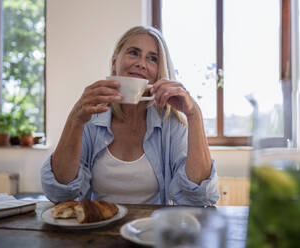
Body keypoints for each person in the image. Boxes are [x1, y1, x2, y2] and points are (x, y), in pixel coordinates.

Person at [41, 26, 219, 206]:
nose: (142, 63)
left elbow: (201, 197)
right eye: (134, 53)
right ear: (114, 62)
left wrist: (194, 114)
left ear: (158, 71)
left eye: (152, 58)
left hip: (151, 231)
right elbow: (59, 193)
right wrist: (75, 119)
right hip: (98, 229)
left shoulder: (170, 123)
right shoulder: (91, 118)